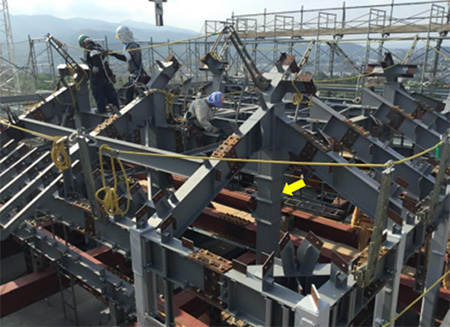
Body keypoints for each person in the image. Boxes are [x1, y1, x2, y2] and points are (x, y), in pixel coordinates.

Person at [78, 34, 120, 114]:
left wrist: (94, 70)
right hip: (106, 76)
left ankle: (103, 115)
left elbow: (96, 60)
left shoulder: (90, 48)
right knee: (112, 96)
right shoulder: (98, 47)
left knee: (99, 98)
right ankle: (117, 112)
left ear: (83, 43)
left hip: (98, 79)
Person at [109, 26, 149, 104]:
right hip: (133, 74)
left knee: (135, 94)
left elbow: (126, 57)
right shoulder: (128, 46)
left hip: (137, 74)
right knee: (130, 94)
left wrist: (114, 54)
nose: (119, 39)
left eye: (119, 36)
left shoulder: (132, 46)